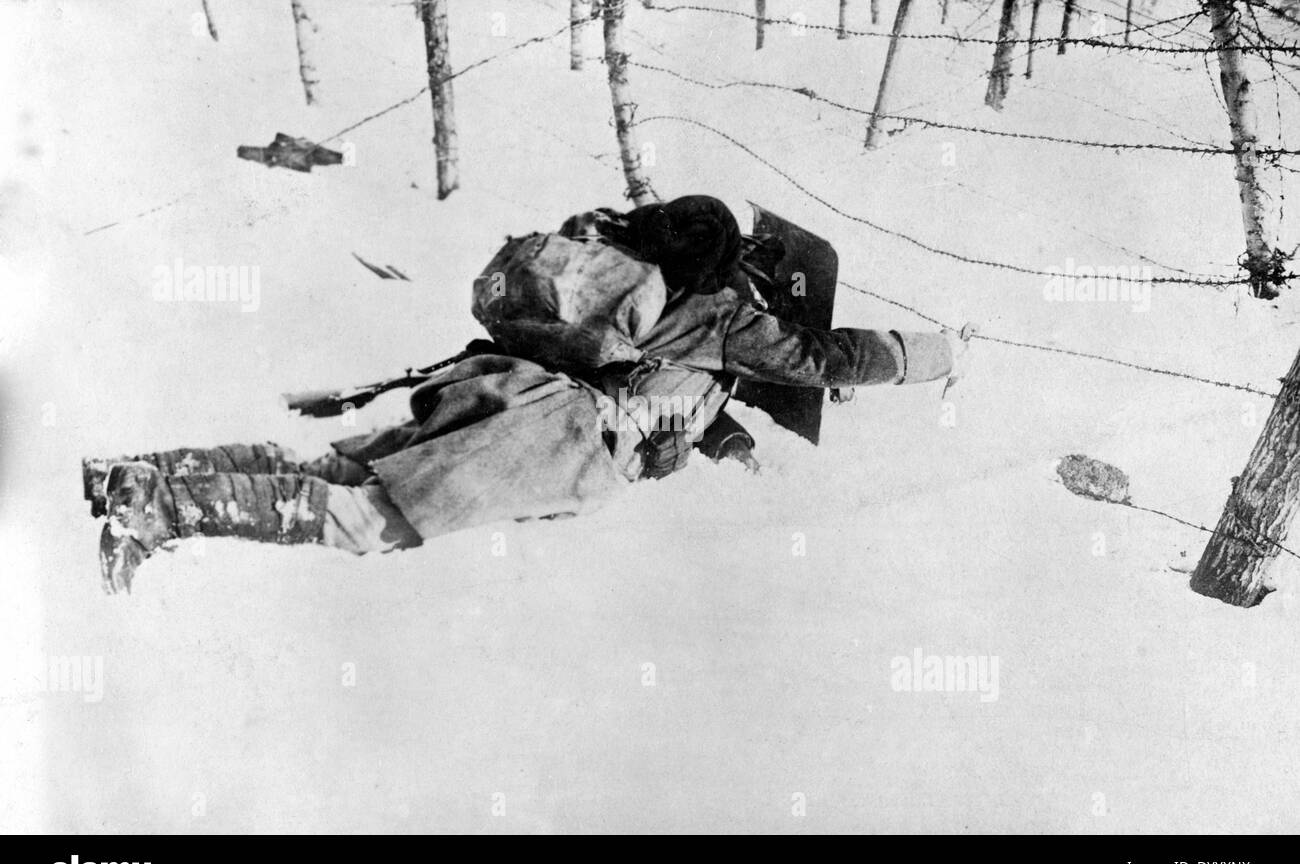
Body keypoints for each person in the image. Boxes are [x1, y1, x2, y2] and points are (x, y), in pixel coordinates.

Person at [87, 196, 970, 593]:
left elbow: (669, 391)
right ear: (773, 287)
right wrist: (932, 354)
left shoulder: (655, 285)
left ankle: (144, 477)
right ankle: (157, 512)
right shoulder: (728, 318)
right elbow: (828, 358)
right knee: (365, 522)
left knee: (342, 466)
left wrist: (728, 441)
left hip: (510, 387)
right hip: (549, 436)